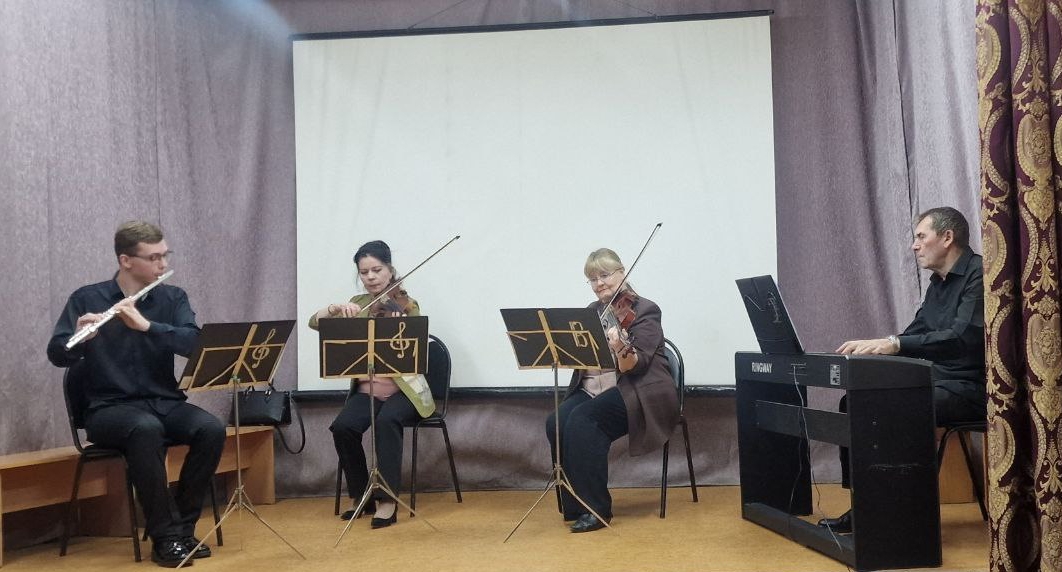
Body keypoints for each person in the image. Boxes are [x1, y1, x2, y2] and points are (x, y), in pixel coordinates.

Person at [47, 221, 225, 568]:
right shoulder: (87, 298)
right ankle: (165, 537)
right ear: (126, 261)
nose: (163, 264)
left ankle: (182, 530)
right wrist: (78, 340)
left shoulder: (173, 298)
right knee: (145, 429)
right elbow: (57, 354)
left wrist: (147, 326)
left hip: (163, 402)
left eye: (165, 255)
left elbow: (194, 343)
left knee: (211, 429)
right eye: (153, 257)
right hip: (107, 409)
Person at [820, 206, 986, 533]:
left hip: (969, 388)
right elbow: (915, 334)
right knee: (853, 403)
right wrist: (877, 347)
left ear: (947, 237)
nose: (914, 245)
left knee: (893, 406)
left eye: (921, 236)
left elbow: (962, 338)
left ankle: (901, 514)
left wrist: (894, 344)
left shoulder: (979, 275)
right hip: (934, 381)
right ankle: (866, 503)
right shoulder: (938, 284)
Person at [545, 248, 680, 533]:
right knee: (555, 421)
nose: (599, 284)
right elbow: (583, 357)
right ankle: (574, 504)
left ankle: (596, 509)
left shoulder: (645, 310)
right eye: (592, 279)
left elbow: (635, 366)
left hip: (637, 389)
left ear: (622, 272)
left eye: (604, 275)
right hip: (594, 387)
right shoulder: (591, 312)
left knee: (584, 421)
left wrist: (619, 346)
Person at [309, 240, 436, 528]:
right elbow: (314, 323)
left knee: (387, 421)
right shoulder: (357, 304)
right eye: (364, 272)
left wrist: (397, 319)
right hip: (367, 391)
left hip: (404, 393)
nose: (371, 277)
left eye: (377, 270)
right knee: (343, 427)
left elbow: (413, 345)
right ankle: (361, 495)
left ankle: (387, 500)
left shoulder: (406, 304)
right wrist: (334, 309)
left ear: (390, 269)